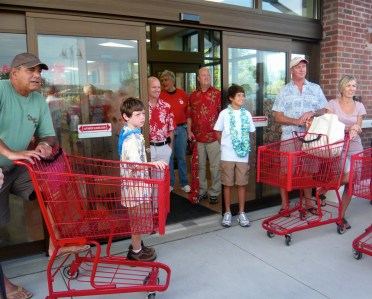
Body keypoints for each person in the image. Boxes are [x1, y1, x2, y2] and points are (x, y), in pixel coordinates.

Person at [0, 53, 83, 299]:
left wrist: (44, 146)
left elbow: (48, 135)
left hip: (19, 165)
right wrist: (9, 152)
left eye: (39, 71)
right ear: (14, 73)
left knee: (53, 183)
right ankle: (2, 284)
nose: (37, 75)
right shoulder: (2, 90)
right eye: (30, 70)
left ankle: (54, 243)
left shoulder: (37, 100)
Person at [272, 57, 327, 213]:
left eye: (304, 66)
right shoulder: (284, 90)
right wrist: (296, 121)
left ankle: (309, 203)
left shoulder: (315, 88)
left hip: (311, 138)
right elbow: (277, 116)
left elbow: (324, 109)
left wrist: (312, 112)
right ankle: (285, 205)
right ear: (291, 70)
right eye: (298, 67)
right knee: (286, 171)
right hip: (290, 137)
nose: (302, 69)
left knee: (309, 170)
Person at [118, 97, 167, 261]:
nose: (142, 117)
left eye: (143, 113)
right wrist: (153, 164)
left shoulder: (132, 133)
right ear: (126, 116)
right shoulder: (132, 139)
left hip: (136, 186)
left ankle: (138, 246)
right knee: (137, 221)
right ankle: (136, 252)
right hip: (135, 188)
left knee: (137, 220)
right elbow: (134, 165)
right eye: (137, 114)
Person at [325, 75, 366, 229]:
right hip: (339, 147)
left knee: (352, 182)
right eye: (348, 85)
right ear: (342, 87)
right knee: (349, 177)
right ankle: (325, 188)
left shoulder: (359, 106)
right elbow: (329, 124)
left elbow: (359, 126)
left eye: (354, 86)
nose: (351, 89)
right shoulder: (332, 104)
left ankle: (341, 217)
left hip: (355, 146)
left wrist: (356, 129)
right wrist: (349, 128)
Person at [214, 85, 256, 227]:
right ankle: (227, 212)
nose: (242, 98)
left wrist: (245, 150)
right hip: (227, 155)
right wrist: (225, 145)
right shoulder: (224, 114)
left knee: (242, 183)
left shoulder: (247, 114)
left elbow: (250, 134)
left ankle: (241, 213)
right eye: (239, 95)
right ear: (231, 98)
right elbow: (218, 132)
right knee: (227, 183)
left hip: (242, 155)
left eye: (243, 95)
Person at [187, 67, 221, 204]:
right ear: (198, 78)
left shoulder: (218, 94)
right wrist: (189, 131)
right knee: (200, 165)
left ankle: (215, 192)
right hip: (197, 137)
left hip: (214, 137)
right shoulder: (193, 95)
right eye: (203, 75)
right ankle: (202, 191)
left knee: (215, 166)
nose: (207, 77)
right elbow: (189, 115)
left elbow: (223, 115)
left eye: (208, 75)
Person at [160, 70, 190, 193]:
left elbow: (188, 114)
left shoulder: (183, 94)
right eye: (162, 80)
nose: (164, 82)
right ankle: (170, 183)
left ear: (173, 80)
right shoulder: (161, 95)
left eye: (166, 80)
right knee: (169, 157)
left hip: (182, 129)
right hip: (168, 131)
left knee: (182, 157)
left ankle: (184, 183)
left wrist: (189, 130)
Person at [148, 76, 175, 171]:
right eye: (154, 87)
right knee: (148, 180)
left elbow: (171, 129)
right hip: (148, 148)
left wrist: (169, 149)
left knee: (161, 180)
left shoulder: (167, 106)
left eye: (159, 87)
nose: (157, 90)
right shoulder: (141, 106)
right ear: (147, 88)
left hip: (164, 148)